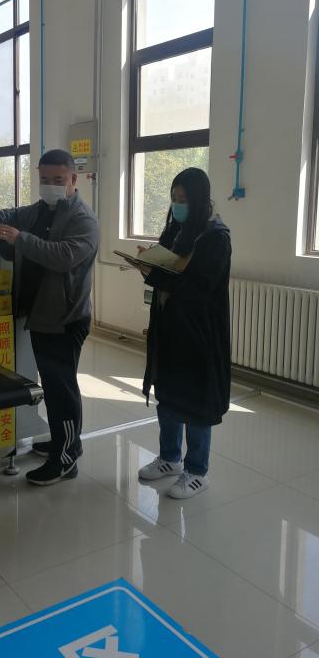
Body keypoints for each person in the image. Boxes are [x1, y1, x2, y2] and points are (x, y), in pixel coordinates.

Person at [0, 149, 99, 486]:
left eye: (58, 179)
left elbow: (63, 257)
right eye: (44, 179)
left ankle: (65, 459)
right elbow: (10, 214)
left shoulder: (83, 219)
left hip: (64, 318)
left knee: (61, 388)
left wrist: (20, 238)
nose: (50, 185)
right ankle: (65, 442)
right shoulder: (39, 210)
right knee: (54, 385)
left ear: (73, 179)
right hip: (41, 313)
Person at [133, 168, 231, 499]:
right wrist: (148, 263)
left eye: (184, 200)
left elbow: (197, 289)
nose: (177, 205)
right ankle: (170, 458)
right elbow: (167, 270)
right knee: (169, 393)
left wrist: (154, 274)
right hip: (170, 328)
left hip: (199, 333)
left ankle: (198, 471)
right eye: (174, 199)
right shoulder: (176, 230)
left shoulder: (215, 237)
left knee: (197, 401)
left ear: (200, 200)